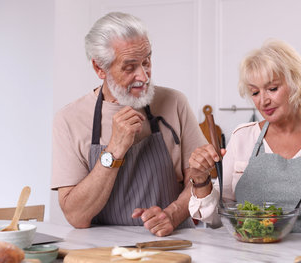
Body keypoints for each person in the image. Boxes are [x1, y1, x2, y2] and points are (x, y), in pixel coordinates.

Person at [188, 39, 301, 234]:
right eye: (255, 92)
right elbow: (216, 216)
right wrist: (201, 180)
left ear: (296, 84)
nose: (263, 101)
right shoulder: (243, 137)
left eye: (272, 89)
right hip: (251, 255)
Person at [51, 12, 207, 237]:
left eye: (147, 62)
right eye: (129, 67)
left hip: (172, 242)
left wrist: (172, 214)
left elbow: (199, 178)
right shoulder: (69, 119)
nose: (143, 77)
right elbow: (76, 217)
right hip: (101, 251)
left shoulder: (175, 103)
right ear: (99, 68)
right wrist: (114, 149)